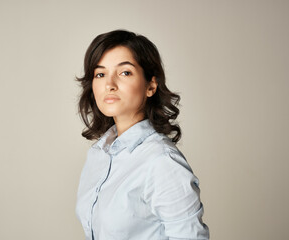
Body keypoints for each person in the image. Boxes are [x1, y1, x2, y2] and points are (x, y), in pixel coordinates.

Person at [75, 29, 209, 240]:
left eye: (125, 72)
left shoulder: (162, 162)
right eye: (100, 74)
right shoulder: (98, 154)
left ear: (151, 86)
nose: (109, 84)